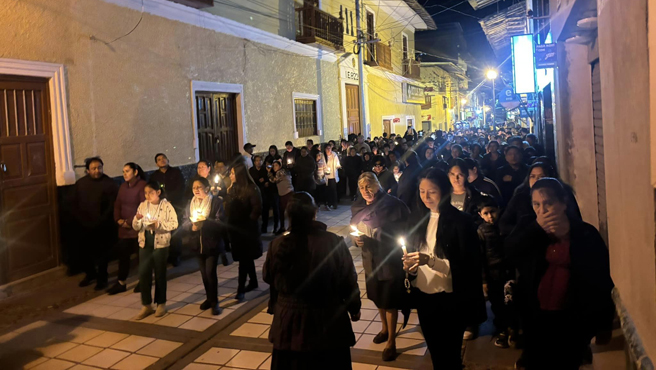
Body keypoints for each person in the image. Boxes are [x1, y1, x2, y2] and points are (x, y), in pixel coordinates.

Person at [504, 178, 614, 370]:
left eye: (548, 203)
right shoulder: (528, 226)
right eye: (536, 204)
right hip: (536, 317)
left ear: (563, 203)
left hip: (571, 320)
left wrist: (603, 325)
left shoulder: (584, 233)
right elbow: (510, 252)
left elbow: (601, 279)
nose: (542, 210)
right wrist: (536, 230)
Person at [263, 192, 361, 369]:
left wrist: (275, 307)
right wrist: (354, 308)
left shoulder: (277, 244)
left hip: (289, 322)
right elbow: (347, 278)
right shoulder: (333, 242)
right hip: (328, 319)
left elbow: (270, 278)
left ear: (289, 214)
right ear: (315, 212)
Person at [402, 169, 486, 369]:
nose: (426, 197)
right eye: (422, 191)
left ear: (444, 191)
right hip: (424, 296)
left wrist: (430, 261)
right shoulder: (416, 219)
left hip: (450, 298)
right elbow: (414, 258)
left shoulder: (461, 222)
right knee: (435, 351)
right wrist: (410, 267)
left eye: (432, 191)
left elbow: (469, 265)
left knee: (450, 354)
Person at [351, 173, 409, 361]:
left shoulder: (393, 204)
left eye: (369, 186)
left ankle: (391, 341)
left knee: (389, 299)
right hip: (370, 258)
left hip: (389, 259)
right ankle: (384, 329)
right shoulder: (358, 206)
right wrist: (356, 239)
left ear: (378, 185)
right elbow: (354, 228)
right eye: (362, 188)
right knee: (377, 295)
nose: (366, 191)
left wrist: (383, 234)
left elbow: (405, 229)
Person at [133, 180, 178, 319]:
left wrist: (159, 225)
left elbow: (174, 223)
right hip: (145, 243)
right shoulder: (142, 206)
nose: (147, 196)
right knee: (144, 273)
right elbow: (136, 226)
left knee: (160, 273)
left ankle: (161, 303)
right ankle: (146, 305)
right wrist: (137, 219)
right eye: (145, 193)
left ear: (158, 192)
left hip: (161, 243)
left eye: (150, 192)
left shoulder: (166, 206)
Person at [499, 162, 581, 236]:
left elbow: (575, 219)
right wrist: (528, 230)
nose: (536, 180)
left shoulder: (563, 195)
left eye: (541, 176)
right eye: (533, 176)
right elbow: (504, 224)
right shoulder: (520, 197)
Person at [182, 177, 226, 315]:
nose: (196, 190)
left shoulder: (216, 202)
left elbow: (220, 222)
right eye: (194, 187)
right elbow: (184, 222)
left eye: (199, 187)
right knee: (203, 274)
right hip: (196, 243)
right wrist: (192, 226)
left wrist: (204, 224)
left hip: (211, 243)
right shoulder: (191, 203)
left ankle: (215, 302)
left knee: (210, 273)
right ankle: (209, 298)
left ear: (207, 188)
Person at [75, 157, 119, 290]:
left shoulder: (109, 183)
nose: (97, 171)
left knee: (102, 254)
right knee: (85, 252)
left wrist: (102, 220)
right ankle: (90, 274)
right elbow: (76, 203)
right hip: (85, 224)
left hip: (103, 225)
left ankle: (102, 278)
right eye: (93, 168)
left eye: (99, 167)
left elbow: (113, 205)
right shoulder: (81, 184)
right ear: (87, 170)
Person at [476, 195, 512, 348]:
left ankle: (512, 328)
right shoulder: (481, 232)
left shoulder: (505, 227)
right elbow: (481, 257)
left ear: (499, 210)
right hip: (492, 274)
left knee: (510, 301)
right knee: (497, 303)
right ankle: (502, 330)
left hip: (507, 272)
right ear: (480, 215)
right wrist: (484, 280)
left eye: (493, 212)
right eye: (486, 213)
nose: (490, 216)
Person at [226, 162, 263, 301]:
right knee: (246, 258)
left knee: (244, 259)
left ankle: (240, 289)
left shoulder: (251, 188)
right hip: (236, 229)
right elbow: (229, 208)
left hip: (247, 229)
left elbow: (257, 209)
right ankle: (253, 281)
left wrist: (247, 223)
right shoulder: (233, 188)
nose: (230, 175)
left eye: (233, 173)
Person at [108, 163, 146, 295]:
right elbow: (117, 204)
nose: (124, 174)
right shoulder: (123, 186)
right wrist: (118, 219)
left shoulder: (142, 186)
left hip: (136, 227)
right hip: (123, 228)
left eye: (127, 171)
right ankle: (121, 282)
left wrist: (129, 222)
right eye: (123, 171)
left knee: (141, 256)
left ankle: (143, 280)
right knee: (123, 256)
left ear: (135, 172)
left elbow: (143, 207)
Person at [150, 153, 186, 267]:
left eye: (164, 158)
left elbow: (180, 187)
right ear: (156, 163)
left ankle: (176, 256)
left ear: (168, 159)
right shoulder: (154, 176)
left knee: (175, 231)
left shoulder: (176, 172)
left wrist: (170, 200)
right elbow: (153, 190)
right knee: (164, 231)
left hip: (175, 205)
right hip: (161, 207)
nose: (162, 160)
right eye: (159, 159)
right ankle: (166, 255)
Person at [250, 155, 279, 234]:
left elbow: (272, 178)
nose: (259, 162)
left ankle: (276, 226)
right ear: (254, 162)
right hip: (259, 192)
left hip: (269, 191)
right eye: (257, 160)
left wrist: (267, 182)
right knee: (264, 211)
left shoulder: (266, 169)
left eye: (260, 160)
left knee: (274, 209)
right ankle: (264, 227)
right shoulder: (252, 170)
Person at [269, 160, 294, 232]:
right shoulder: (284, 171)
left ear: (280, 166)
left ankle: (288, 227)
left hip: (287, 193)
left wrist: (269, 173)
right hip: (286, 193)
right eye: (273, 166)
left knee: (287, 211)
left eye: (276, 165)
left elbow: (274, 180)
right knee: (282, 211)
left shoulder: (280, 172)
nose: (274, 167)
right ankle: (284, 227)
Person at [324, 144, 341, 210]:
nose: (328, 150)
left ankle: (334, 203)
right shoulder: (323, 156)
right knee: (327, 190)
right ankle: (328, 203)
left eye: (329, 148)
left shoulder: (334, 155)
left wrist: (337, 166)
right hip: (326, 175)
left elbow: (337, 163)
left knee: (333, 190)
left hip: (333, 175)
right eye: (327, 149)